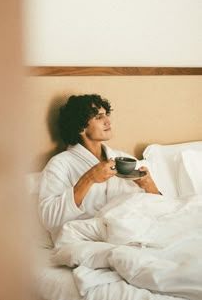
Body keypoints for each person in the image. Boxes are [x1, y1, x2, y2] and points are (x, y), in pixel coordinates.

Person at [38, 94, 161, 241]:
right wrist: (89, 178)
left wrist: (149, 185)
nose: (108, 121)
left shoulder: (123, 159)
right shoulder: (60, 164)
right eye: (98, 117)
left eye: (106, 115)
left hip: (134, 232)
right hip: (87, 239)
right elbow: (50, 219)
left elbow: (161, 209)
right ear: (80, 128)